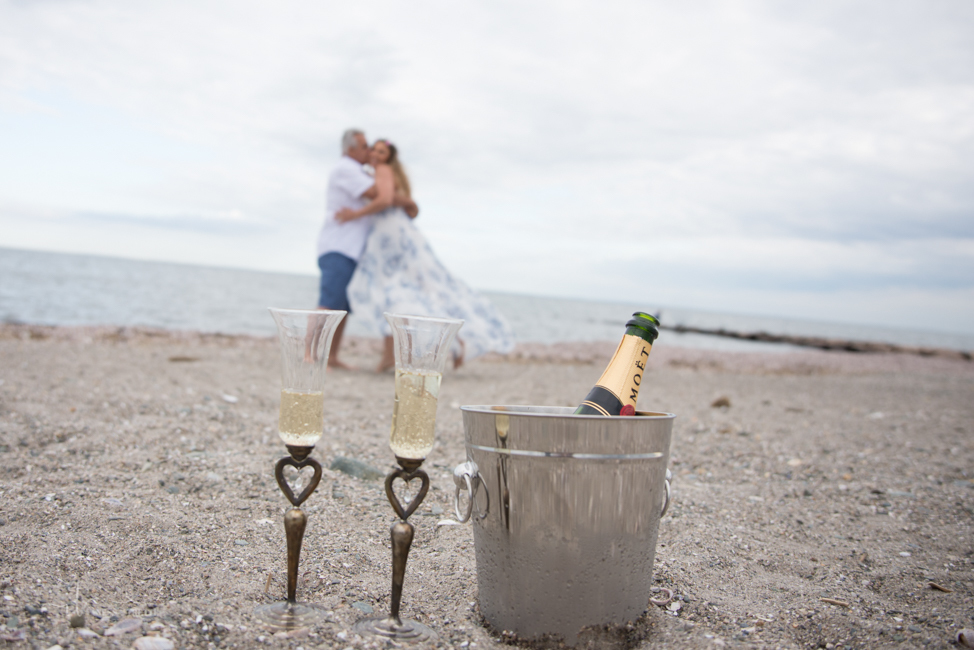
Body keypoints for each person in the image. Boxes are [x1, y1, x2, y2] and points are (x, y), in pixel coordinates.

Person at [337, 139, 515, 372]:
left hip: (389, 236)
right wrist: (407, 202)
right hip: (392, 232)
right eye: (375, 150)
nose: (377, 155)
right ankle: (403, 353)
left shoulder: (382, 170)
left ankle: (449, 342)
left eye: (382, 152)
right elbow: (408, 205)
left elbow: (385, 199)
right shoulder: (383, 173)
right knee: (397, 292)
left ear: (388, 157)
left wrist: (354, 214)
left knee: (391, 290)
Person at [316, 129, 416, 369]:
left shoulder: (365, 171)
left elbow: (386, 196)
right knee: (329, 303)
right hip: (340, 246)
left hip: (353, 249)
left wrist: (405, 201)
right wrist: (405, 200)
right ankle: (311, 355)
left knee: (341, 306)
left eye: (374, 148)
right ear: (350, 149)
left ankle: (330, 357)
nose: (369, 151)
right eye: (365, 146)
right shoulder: (347, 169)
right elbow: (378, 195)